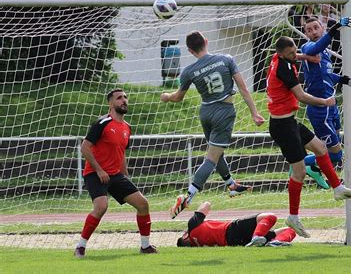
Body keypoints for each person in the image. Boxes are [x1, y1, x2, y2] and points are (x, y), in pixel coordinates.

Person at [266, 36, 351, 238]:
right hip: (282, 126)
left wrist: (306, 58)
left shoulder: (282, 59)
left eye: (296, 51)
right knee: (299, 173)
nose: (296, 55)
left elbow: (299, 56)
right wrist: (324, 102)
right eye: (292, 53)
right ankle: (293, 216)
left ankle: (337, 187)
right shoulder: (283, 68)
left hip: (290, 122)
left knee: (320, 148)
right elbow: (301, 97)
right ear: (283, 54)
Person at [161, 31, 265, 219]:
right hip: (224, 113)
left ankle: (231, 185)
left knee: (216, 153)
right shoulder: (226, 60)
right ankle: (188, 196)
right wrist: (254, 113)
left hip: (206, 112)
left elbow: (177, 97)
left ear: (190, 51)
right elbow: (242, 88)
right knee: (211, 158)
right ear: (206, 42)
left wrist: (167, 97)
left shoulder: (189, 71)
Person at [74, 89, 157, 258]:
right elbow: (85, 148)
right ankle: (80, 247)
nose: (124, 100)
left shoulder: (127, 127)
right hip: (95, 173)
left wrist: (124, 174)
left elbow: (121, 153)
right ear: (110, 104)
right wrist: (99, 170)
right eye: (119, 98)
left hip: (115, 174)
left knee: (143, 204)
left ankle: (145, 246)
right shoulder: (102, 123)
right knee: (101, 207)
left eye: (125, 97)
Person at [300, 17, 351, 169]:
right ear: (306, 33)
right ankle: (300, 163)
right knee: (335, 154)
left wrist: (346, 80)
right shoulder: (307, 47)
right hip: (319, 109)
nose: (314, 32)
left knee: (335, 145)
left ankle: (313, 167)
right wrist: (335, 28)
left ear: (321, 28)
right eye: (309, 30)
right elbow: (314, 49)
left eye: (316, 28)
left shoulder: (325, 54)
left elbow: (327, 75)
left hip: (332, 106)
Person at [176, 201, 297, 247]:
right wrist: (188, 200)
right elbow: (206, 204)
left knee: (289, 229)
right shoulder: (192, 228)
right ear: (186, 236)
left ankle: (272, 243)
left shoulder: (196, 245)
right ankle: (257, 237)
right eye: (184, 233)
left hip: (236, 242)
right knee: (270, 216)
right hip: (232, 230)